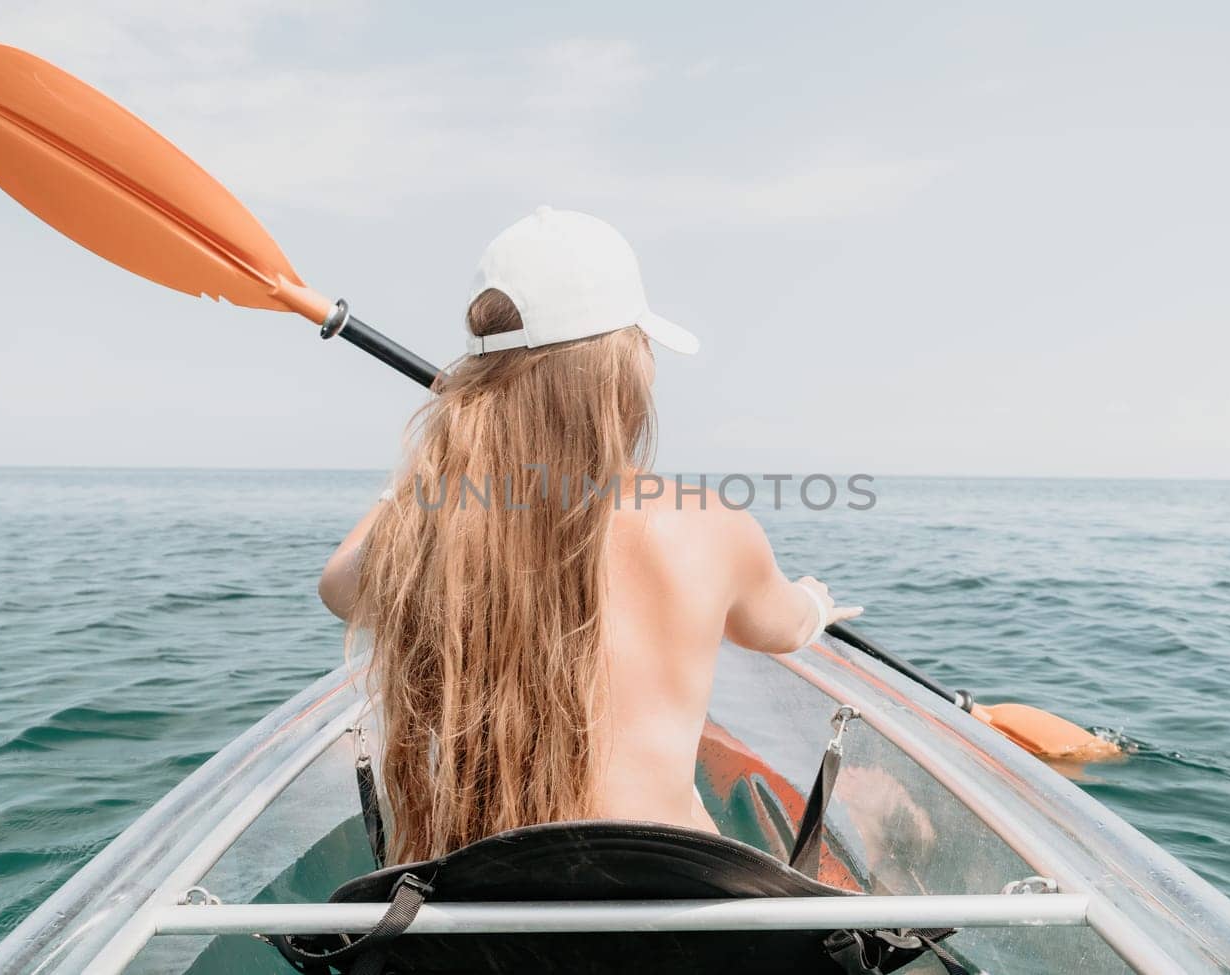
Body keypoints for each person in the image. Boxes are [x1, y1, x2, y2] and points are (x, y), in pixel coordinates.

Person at [318, 207, 862, 865]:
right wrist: (817, 603)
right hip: (664, 896)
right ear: (626, 368)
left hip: (488, 901)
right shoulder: (710, 525)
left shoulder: (432, 526)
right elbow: (784, 626)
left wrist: (442, 452)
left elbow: (341, 584)